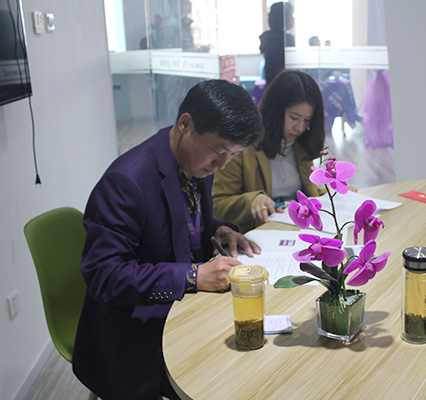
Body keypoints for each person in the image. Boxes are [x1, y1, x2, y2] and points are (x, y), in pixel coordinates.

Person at [72, 80, 264, 400]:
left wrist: (217, 230)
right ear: (185, 124)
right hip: (136, 331)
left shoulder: (195, 161)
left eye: (234, 155)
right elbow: (104, 275)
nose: (222, 165)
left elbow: (176, 222)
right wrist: (193, 275)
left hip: (183, 309)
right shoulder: (126, 181)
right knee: (229, 377)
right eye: (219, 151)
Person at [212, 70, 327, 234]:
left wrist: (335, 194)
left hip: (296, 230)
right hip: (258, 234)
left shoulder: (301, 144)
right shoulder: (240, 145)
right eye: (294, 117)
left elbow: (307, 191)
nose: (300, 127)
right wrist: (252, 200)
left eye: (307, 120)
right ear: (275, 110)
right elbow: (217, 205)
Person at [259, 1, 295, 86]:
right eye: (291, 15)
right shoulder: (284, 40)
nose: (293, 19)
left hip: (272, 86)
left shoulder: (269, 38)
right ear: (283, 17)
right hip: (284, 86)